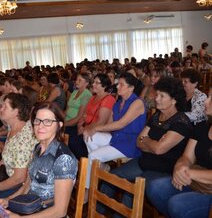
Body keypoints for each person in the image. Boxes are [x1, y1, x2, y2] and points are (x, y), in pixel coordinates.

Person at [97, 77, 192, 216]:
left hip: (164, 169)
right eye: (157, 94)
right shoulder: (157, 116)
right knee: (111, 178)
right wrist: (152, 142)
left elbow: (159, 149)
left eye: (161, 96)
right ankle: (98, 213)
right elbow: (138, 141)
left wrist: (147, 140)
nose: (156, 99)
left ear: (174, 100)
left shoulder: (181, 121)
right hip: (143, 162)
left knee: (131, 189)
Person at [0, 102, 78, 218]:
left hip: (46, 213)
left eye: (48, 121)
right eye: (37, 121)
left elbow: (59, 211)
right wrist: (8, 200)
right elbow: (27, 185)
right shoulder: (38, 148)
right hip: (30, 206)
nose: (40, 126)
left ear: (59, 125)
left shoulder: (63, 158)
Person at [146, 87, 212, 218]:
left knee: (177, 205)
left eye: (211, 98)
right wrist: (180, 167)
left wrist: (188, 173)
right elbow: (187, 156)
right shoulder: (203, 126)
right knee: (155, 188)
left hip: (206, 188)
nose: (205, 101)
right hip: (195, 181)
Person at [83, 72, 146, 187]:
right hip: (116, 138)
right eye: (118, 84)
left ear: (131, 88)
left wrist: (96, 127)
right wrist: (93, 129)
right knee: (88, 136)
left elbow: (121, 124)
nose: (117, 87)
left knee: (93, 156)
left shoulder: (137, 103)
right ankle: (101, 166)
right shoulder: (118, 103)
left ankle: (88, 189)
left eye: (121, 85)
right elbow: (110, 124)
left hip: (129, 143)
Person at [73, 74, 116, 159]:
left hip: (101, 131)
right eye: (93, 82)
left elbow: (101, 122)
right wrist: (80, 125)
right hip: (89, 127)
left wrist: (84, 129)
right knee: (73, 139)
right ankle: (92, 165)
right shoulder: (93, 98)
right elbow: (85, 115)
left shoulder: (108, 99)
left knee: (76, 142)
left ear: (104, 86)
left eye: (97, 83)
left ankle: (91, 165)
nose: (93, 85)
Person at [64, 73, 92, 159]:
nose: (76, 82)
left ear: (86, 83)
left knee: (72, 142)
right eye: (76, 79)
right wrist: (60, 120)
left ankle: (81, 163)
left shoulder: (86, 95)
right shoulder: (74, 92)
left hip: (76, 124)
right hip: (67, 122)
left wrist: (63, 124)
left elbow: (79, 117)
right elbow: (66, 110)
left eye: (80, 80)